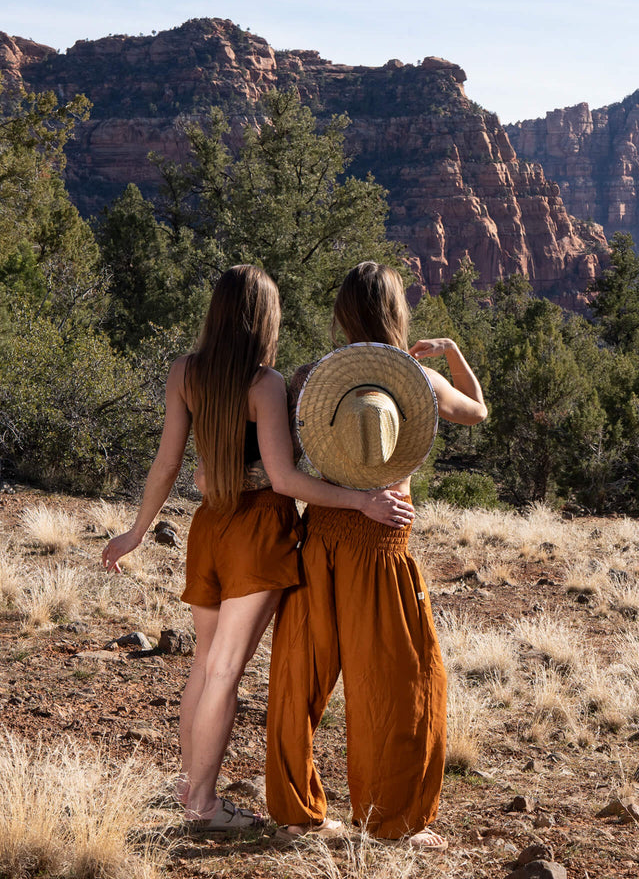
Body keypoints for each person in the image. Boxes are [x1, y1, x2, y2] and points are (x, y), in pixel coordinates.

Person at [101, 264, 415, 831]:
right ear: (263, 318)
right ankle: (202, 804)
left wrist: (136, 531)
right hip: (258, 532)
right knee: (224, 669)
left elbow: (168, 464)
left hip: (208, 527)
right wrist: (362, 503)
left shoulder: (184, 373)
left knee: (204, 663)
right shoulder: (263, 384)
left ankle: (189, 786)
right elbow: (286, 480)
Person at [266, 261, 487, 849]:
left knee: (299, 675)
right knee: (401, 680)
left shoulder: (311, 379)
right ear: (397, 313)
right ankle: (394, 822)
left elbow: (282, 468)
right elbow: (478, 409)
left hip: (320, 539)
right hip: (382, 544)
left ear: (341, 314)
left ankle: (295, 811)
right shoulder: (418, 379)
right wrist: (453, 351)